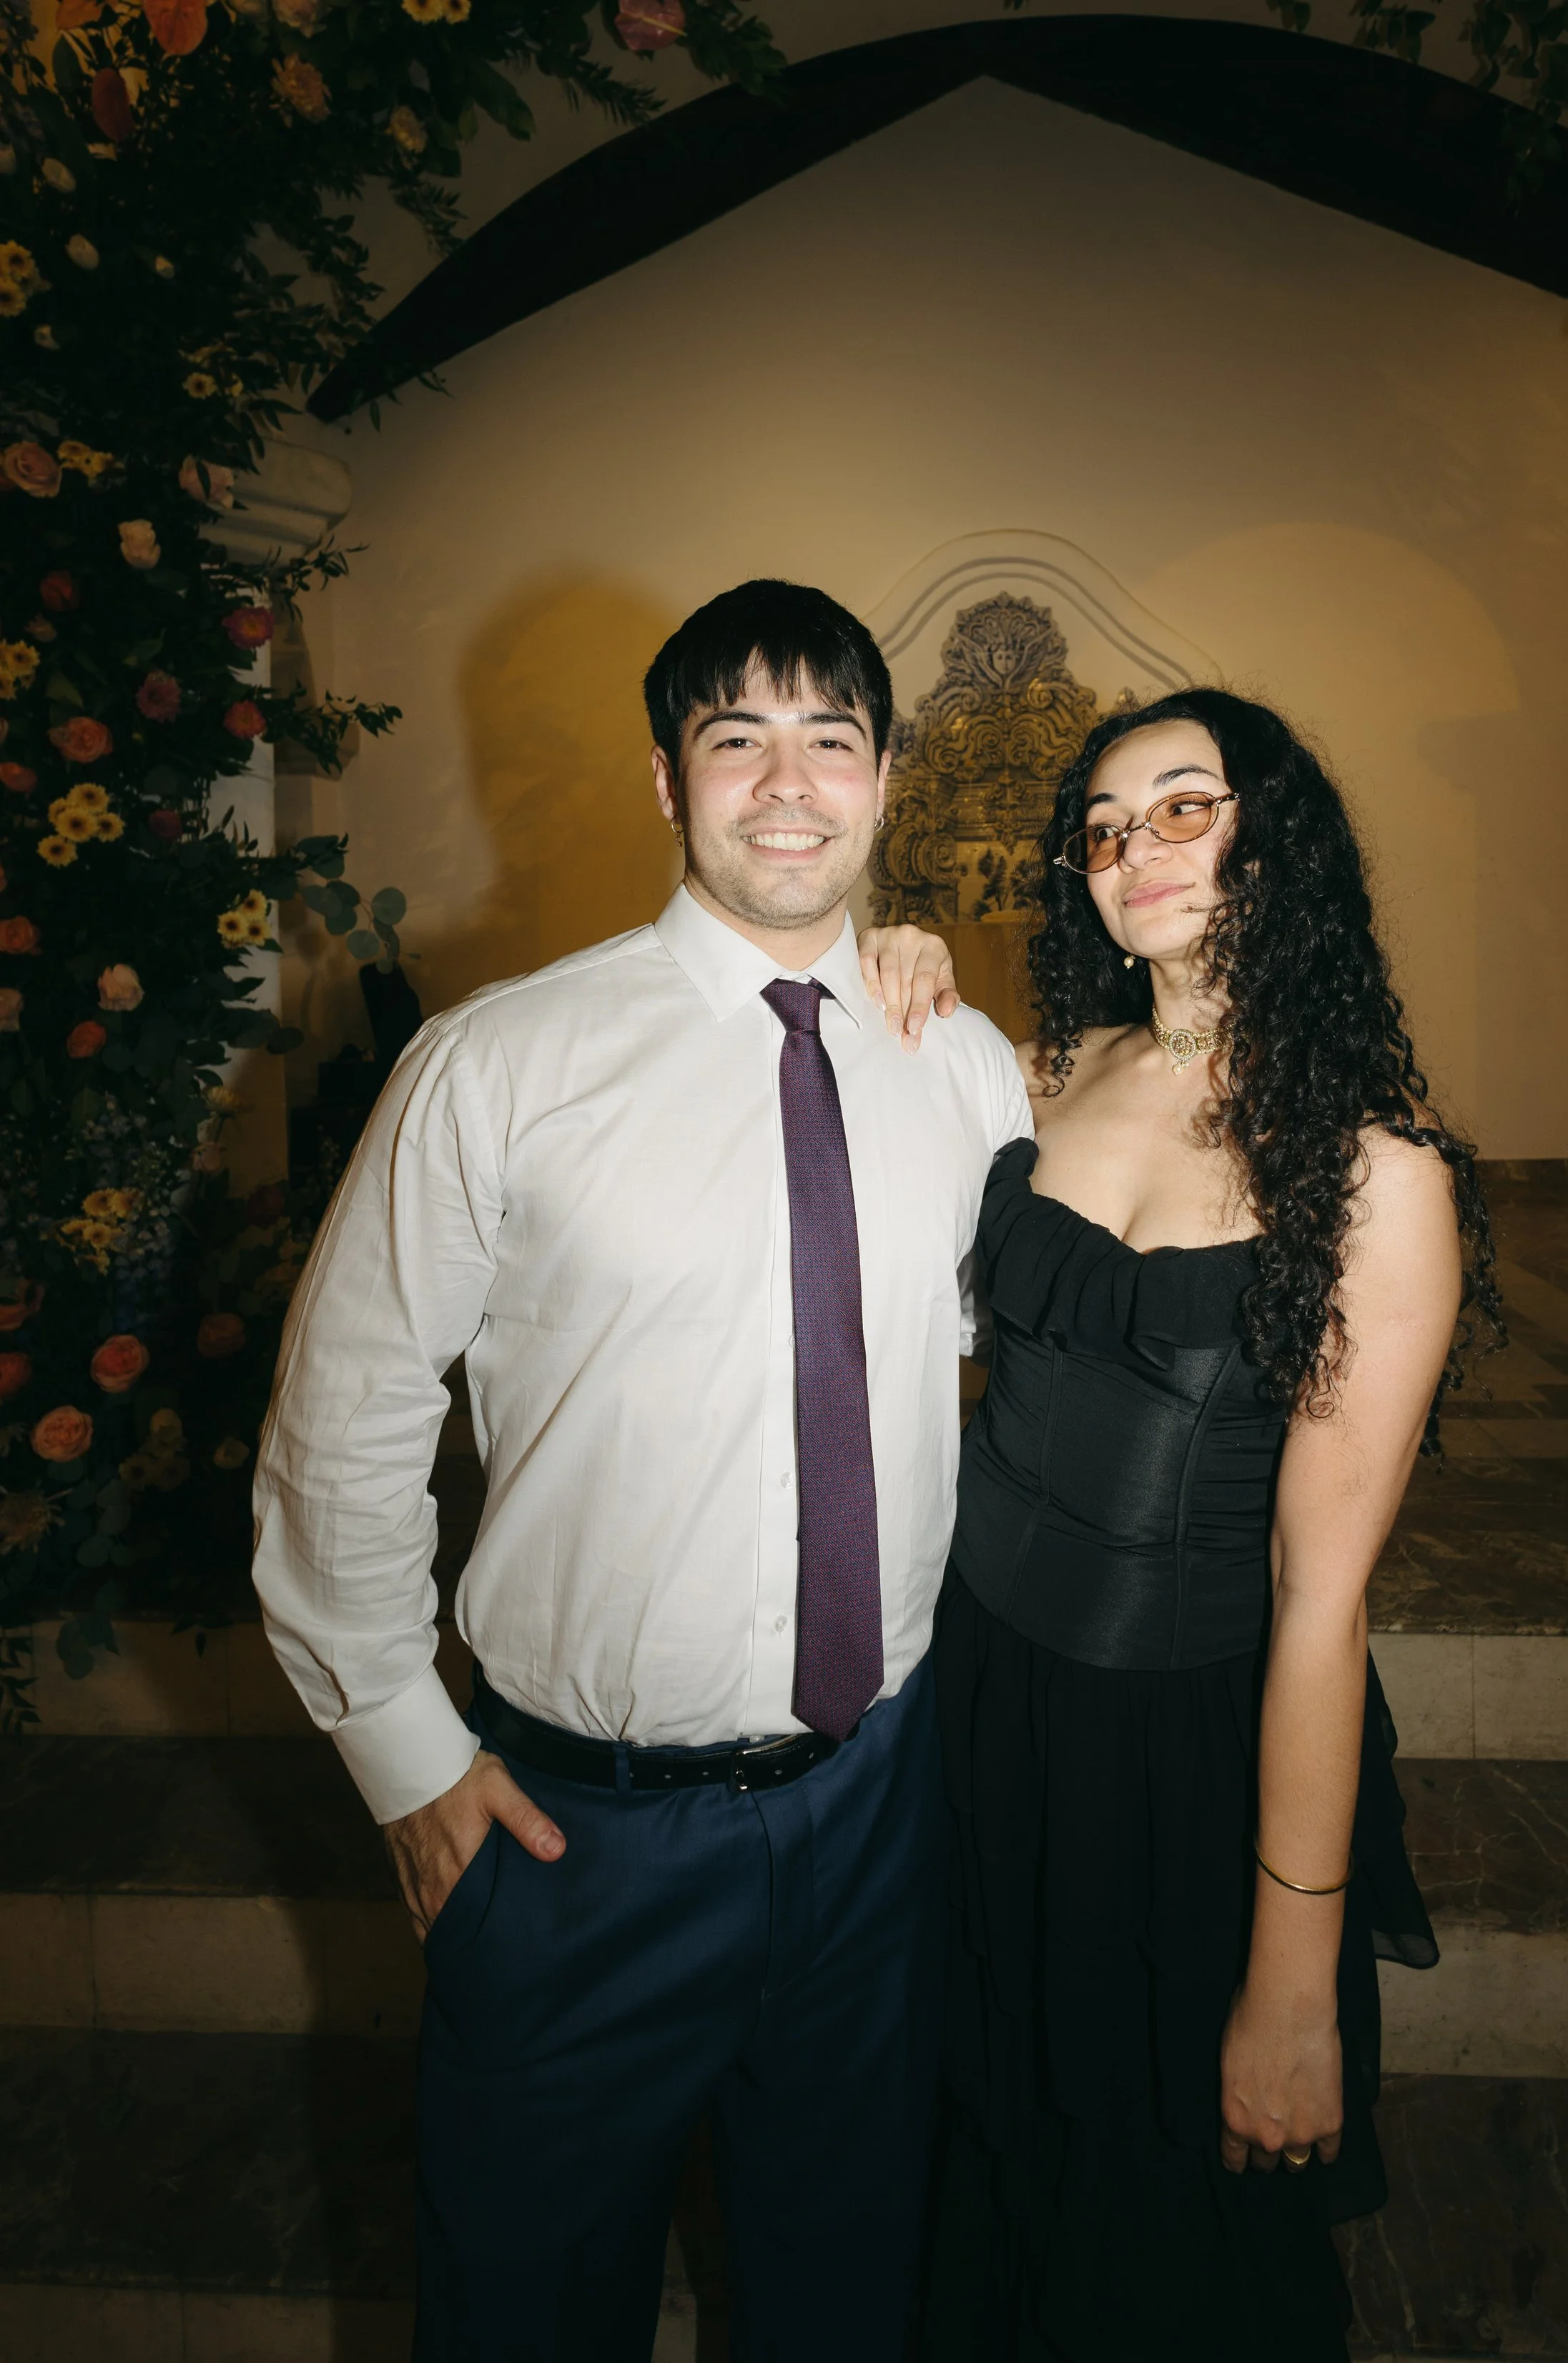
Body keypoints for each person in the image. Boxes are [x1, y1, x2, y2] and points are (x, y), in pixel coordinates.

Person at [250, 578, 1026, 2363]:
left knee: (847, 2298)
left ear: (886, 775)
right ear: (662, 778)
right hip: (579, 1836)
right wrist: (398, 1746)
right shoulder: (499, 1064)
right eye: (732, 735)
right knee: (526, 2308)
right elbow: (344, 1415)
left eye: (831, 736)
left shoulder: (962, 1067)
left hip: (874, 1807)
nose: (785, 782)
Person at [914, 689, 1499, 2361]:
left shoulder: (1377, 1174)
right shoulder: (1045, 1070)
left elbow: (1321, 1603)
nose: (1130, 848)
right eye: (1100, 826)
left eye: (1181, 805)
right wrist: (898, 961)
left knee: (1156, 2261)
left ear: (1275, 837)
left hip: (1172, 1759)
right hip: (971, 1712)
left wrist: (1292, 1984)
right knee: (977, 2189)